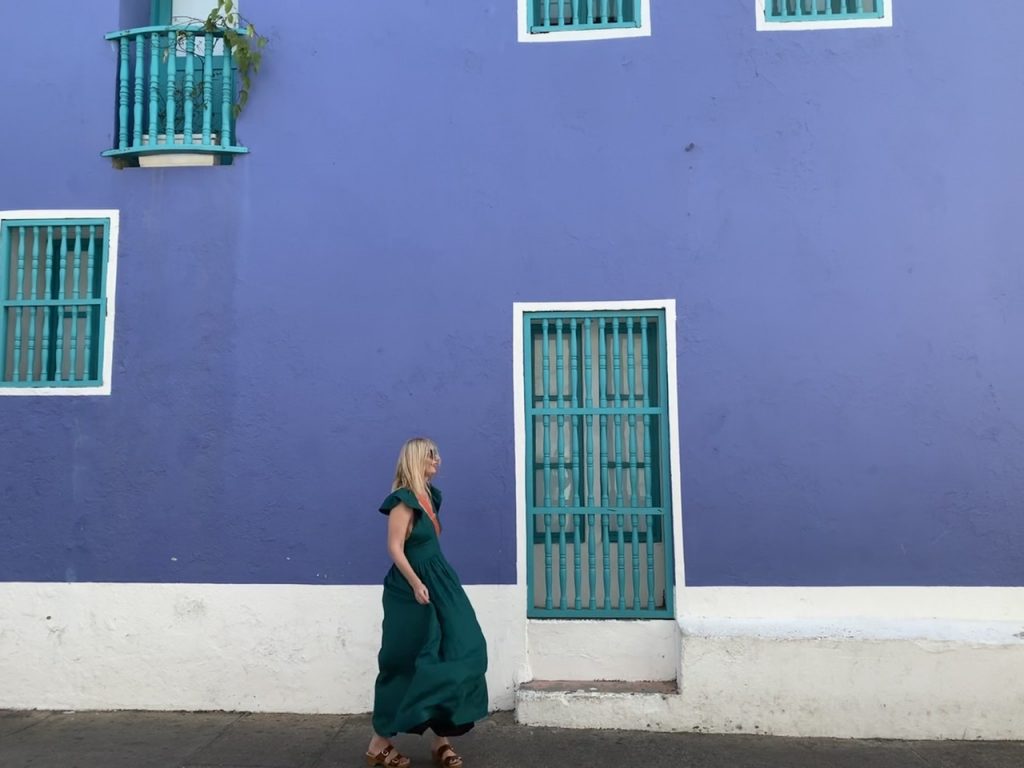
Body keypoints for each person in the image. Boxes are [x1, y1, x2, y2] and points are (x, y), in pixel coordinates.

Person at [365, 437, 488, 768]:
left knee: (463, 648)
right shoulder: (403, 501)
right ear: (417, 458)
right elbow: (394, 547)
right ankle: (380, 744)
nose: (439, 460)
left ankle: (440, 738)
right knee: (408, 660)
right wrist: (417, 583)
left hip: (440, 582)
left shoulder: (431, 497)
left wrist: (432, 580)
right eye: (432, 455)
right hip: (411, 589)